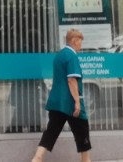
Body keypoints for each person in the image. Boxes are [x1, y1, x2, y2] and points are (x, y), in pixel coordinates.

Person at [32, 28, 92, 162]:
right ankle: (86, 160)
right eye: (80, 41)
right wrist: (77, 102)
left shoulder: (59, 55)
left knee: (51, 132)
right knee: (82, 131)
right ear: (74, 41)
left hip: (56, 102)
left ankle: (37, 158)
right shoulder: (72, 56)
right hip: (69, 103)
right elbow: (71, 80)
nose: (81, 45)